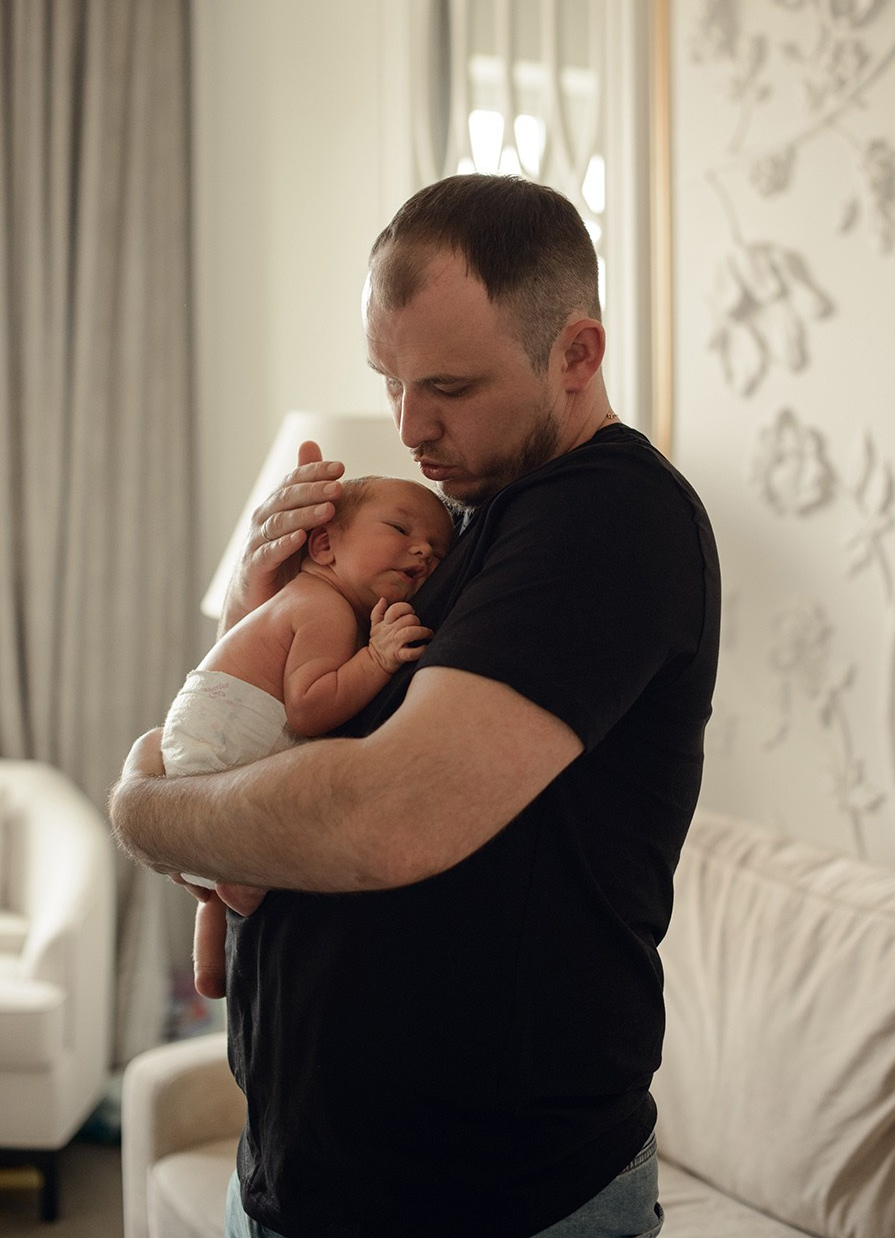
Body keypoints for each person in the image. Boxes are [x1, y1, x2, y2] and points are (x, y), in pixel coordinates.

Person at [110, 174, 720, 1238]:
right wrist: (263, 612)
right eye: (386, 380)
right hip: (303, 1170)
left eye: (447, 385)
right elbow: (299, 731)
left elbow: (383, 815)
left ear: (576, 354)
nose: (409, 425)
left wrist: (139, 803)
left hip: (491, 1200)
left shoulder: (608, 521)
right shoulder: (464, 519)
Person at [162, 474, 454, 999]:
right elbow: (310, 708)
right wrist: (378, 656)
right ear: (323, 544)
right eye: (399, 528)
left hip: (200, 735)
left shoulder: (307, 598)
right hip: (228, 744)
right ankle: (236, 888)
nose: (422, 551)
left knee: (214, 878)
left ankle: (210, 965)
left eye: (437, 552)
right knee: (250, 863)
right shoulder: (324, 607)